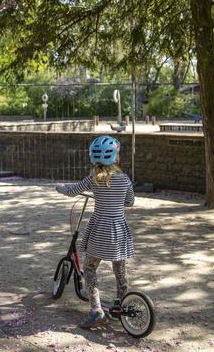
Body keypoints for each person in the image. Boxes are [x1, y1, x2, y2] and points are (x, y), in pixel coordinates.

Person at [56, 135, 135, 329]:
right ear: (116, 158)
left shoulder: (93, 179)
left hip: (100, 232)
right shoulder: (124, 179)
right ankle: (120, 307)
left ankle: (97, 311)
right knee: (120, 271)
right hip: (118, 233)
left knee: (90, 269)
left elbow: (72, 190)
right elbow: (130, 202)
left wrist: (60, 187)